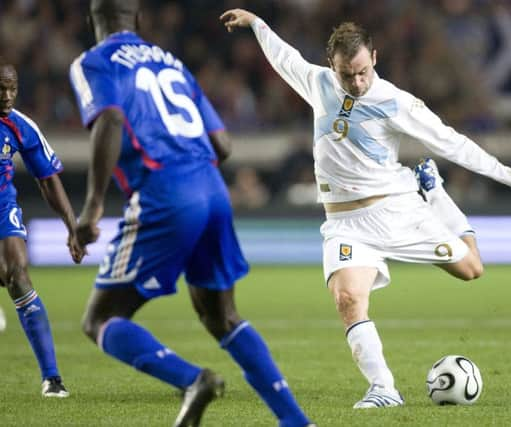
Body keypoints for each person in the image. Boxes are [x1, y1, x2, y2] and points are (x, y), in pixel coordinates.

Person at [221, 9, 511, 409]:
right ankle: (383, 388)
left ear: (375, 58)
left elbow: (451, 142)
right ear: (332, 66)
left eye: (363, 71)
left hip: (398, 210)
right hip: (345, 222)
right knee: (348, 298)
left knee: (472, 268)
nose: (357, 82)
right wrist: (257, 22)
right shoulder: (318, 83)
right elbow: (283, 57)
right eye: (347, 74)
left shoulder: (396, 102)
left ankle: (435, 193)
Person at [69, 2, 314, 427]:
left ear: (94, 22)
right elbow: (223, 145)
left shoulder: (94, 61)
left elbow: (108, 118)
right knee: (222, 317)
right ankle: (296, 421)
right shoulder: (172, 63)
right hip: (212, 188)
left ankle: (191, 380)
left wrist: (91, 207)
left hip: (165, 190)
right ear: (139, 20)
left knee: (101, 319)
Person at [0, 57, 85, 397]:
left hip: (2, 207)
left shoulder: (22, 126)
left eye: (12, 89)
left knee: (18, 274)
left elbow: (48, 181)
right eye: (0, 89)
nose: (7, 96)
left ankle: (52, 378)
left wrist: (72, 227)